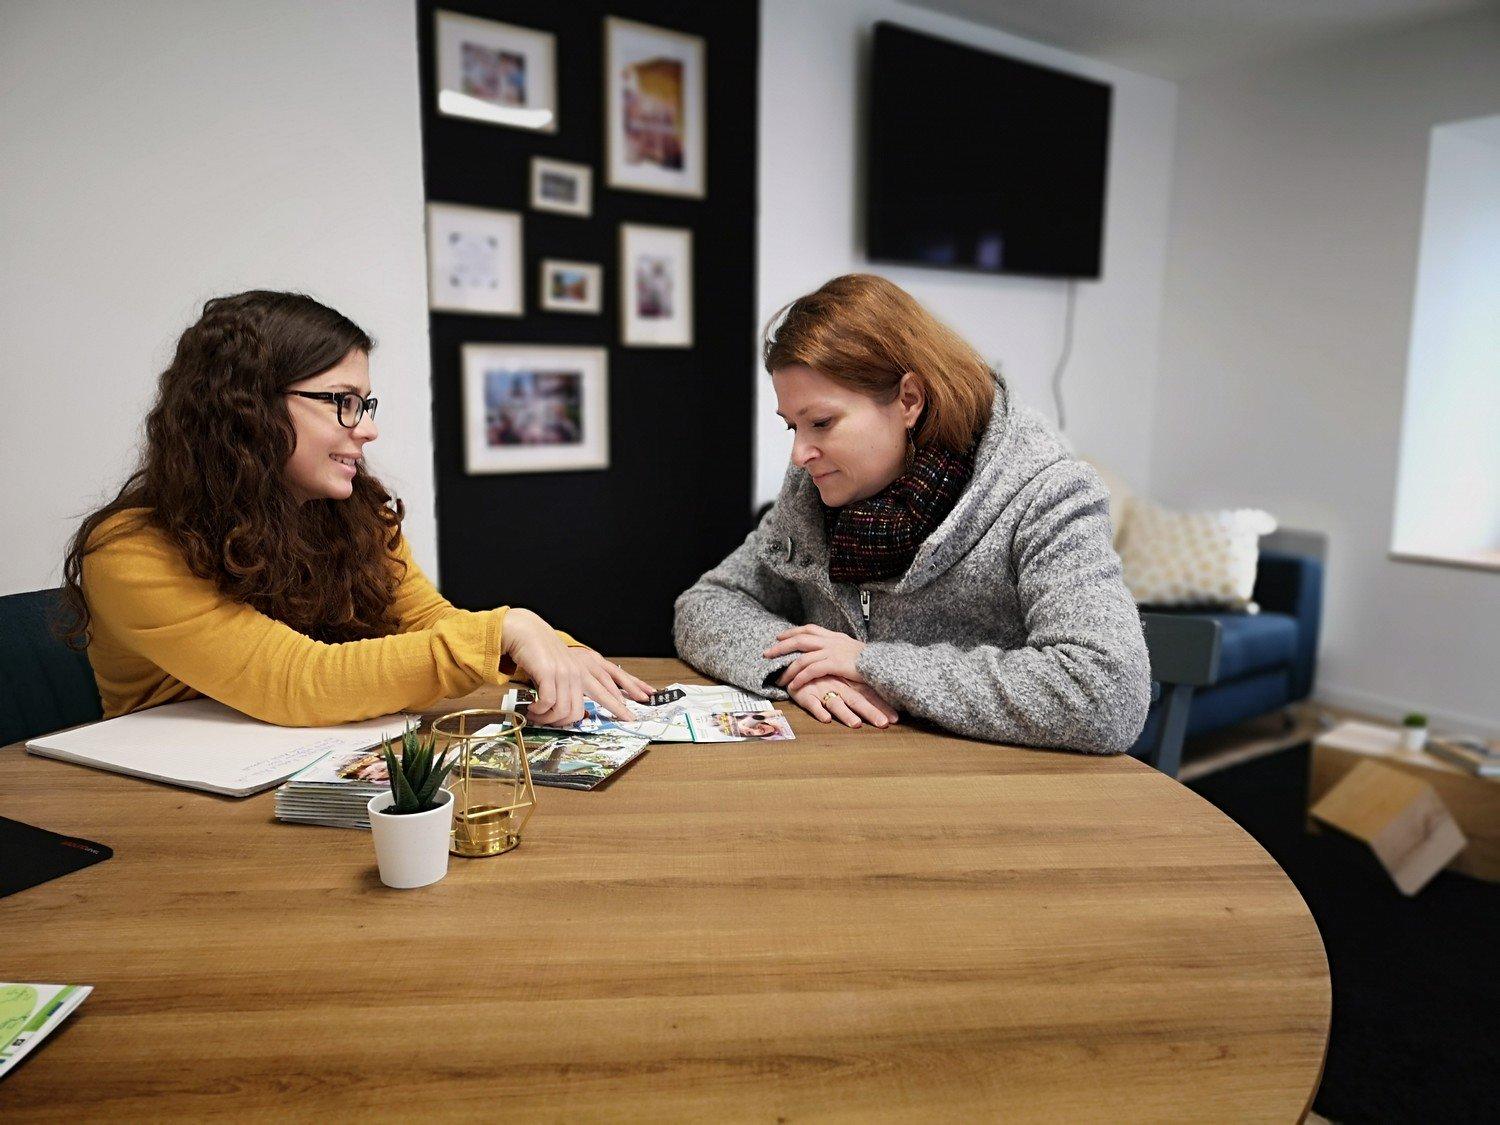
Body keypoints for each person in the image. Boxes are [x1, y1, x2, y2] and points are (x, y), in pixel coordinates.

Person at [62, 290, 651, 729]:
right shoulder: (127, 551)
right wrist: (503, 629)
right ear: (245, 409)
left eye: (365, 403)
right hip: (163, 817)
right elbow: (292, 681)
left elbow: (423, 620)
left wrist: (553, 652)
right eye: (342, 402)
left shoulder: (352, 515)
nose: (367, 429)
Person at [673, 274, 1150, 754]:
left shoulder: (1047, 494)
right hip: (851, 781)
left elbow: (1107, 695)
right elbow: (706, 603)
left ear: (909, 400)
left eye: (821, 423)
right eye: (792, 426)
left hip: (1004, 802)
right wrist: (800, 668)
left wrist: (871, 664)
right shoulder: (810, 496)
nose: (800, 454)